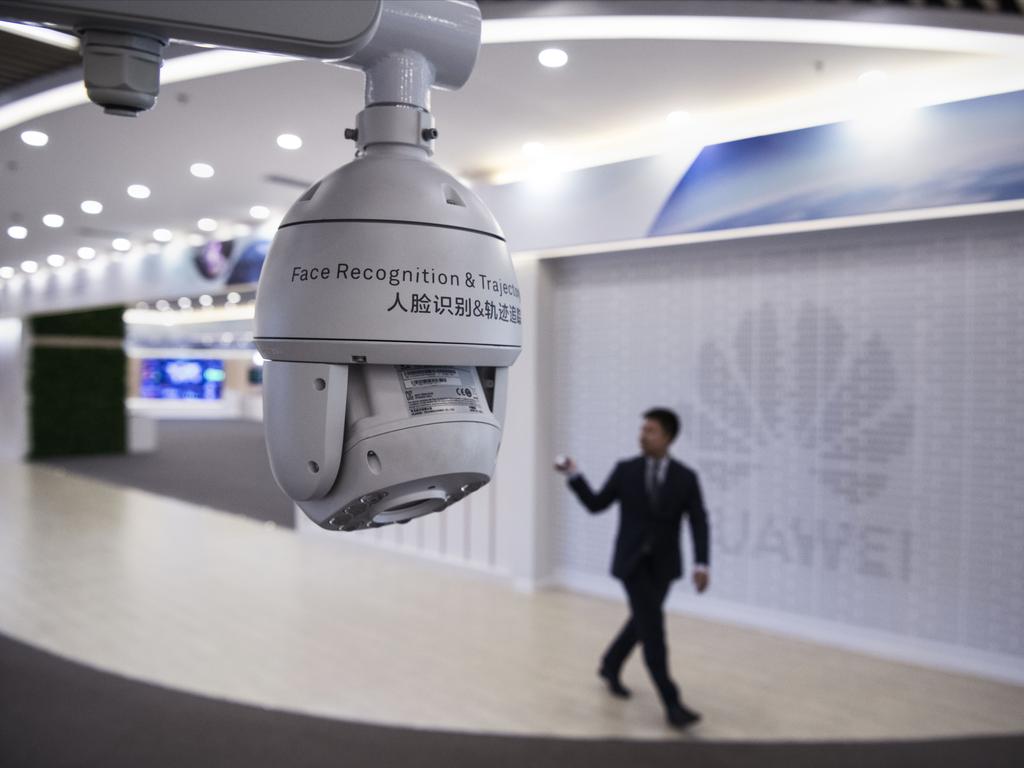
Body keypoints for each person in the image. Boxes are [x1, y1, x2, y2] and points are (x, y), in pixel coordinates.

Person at [555, 407, 710, 729]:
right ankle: (672, 702)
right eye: (642, 430)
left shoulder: (686, 478)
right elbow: (596, 505)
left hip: (665, 566)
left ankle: (610, 664)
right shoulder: (626, 470)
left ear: (667, 437)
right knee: (653, 630)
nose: (643, 435)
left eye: (650, 430)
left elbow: (698, 521)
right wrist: (574, 475)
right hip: (632, 563)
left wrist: (702, 563)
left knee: (641, 621)